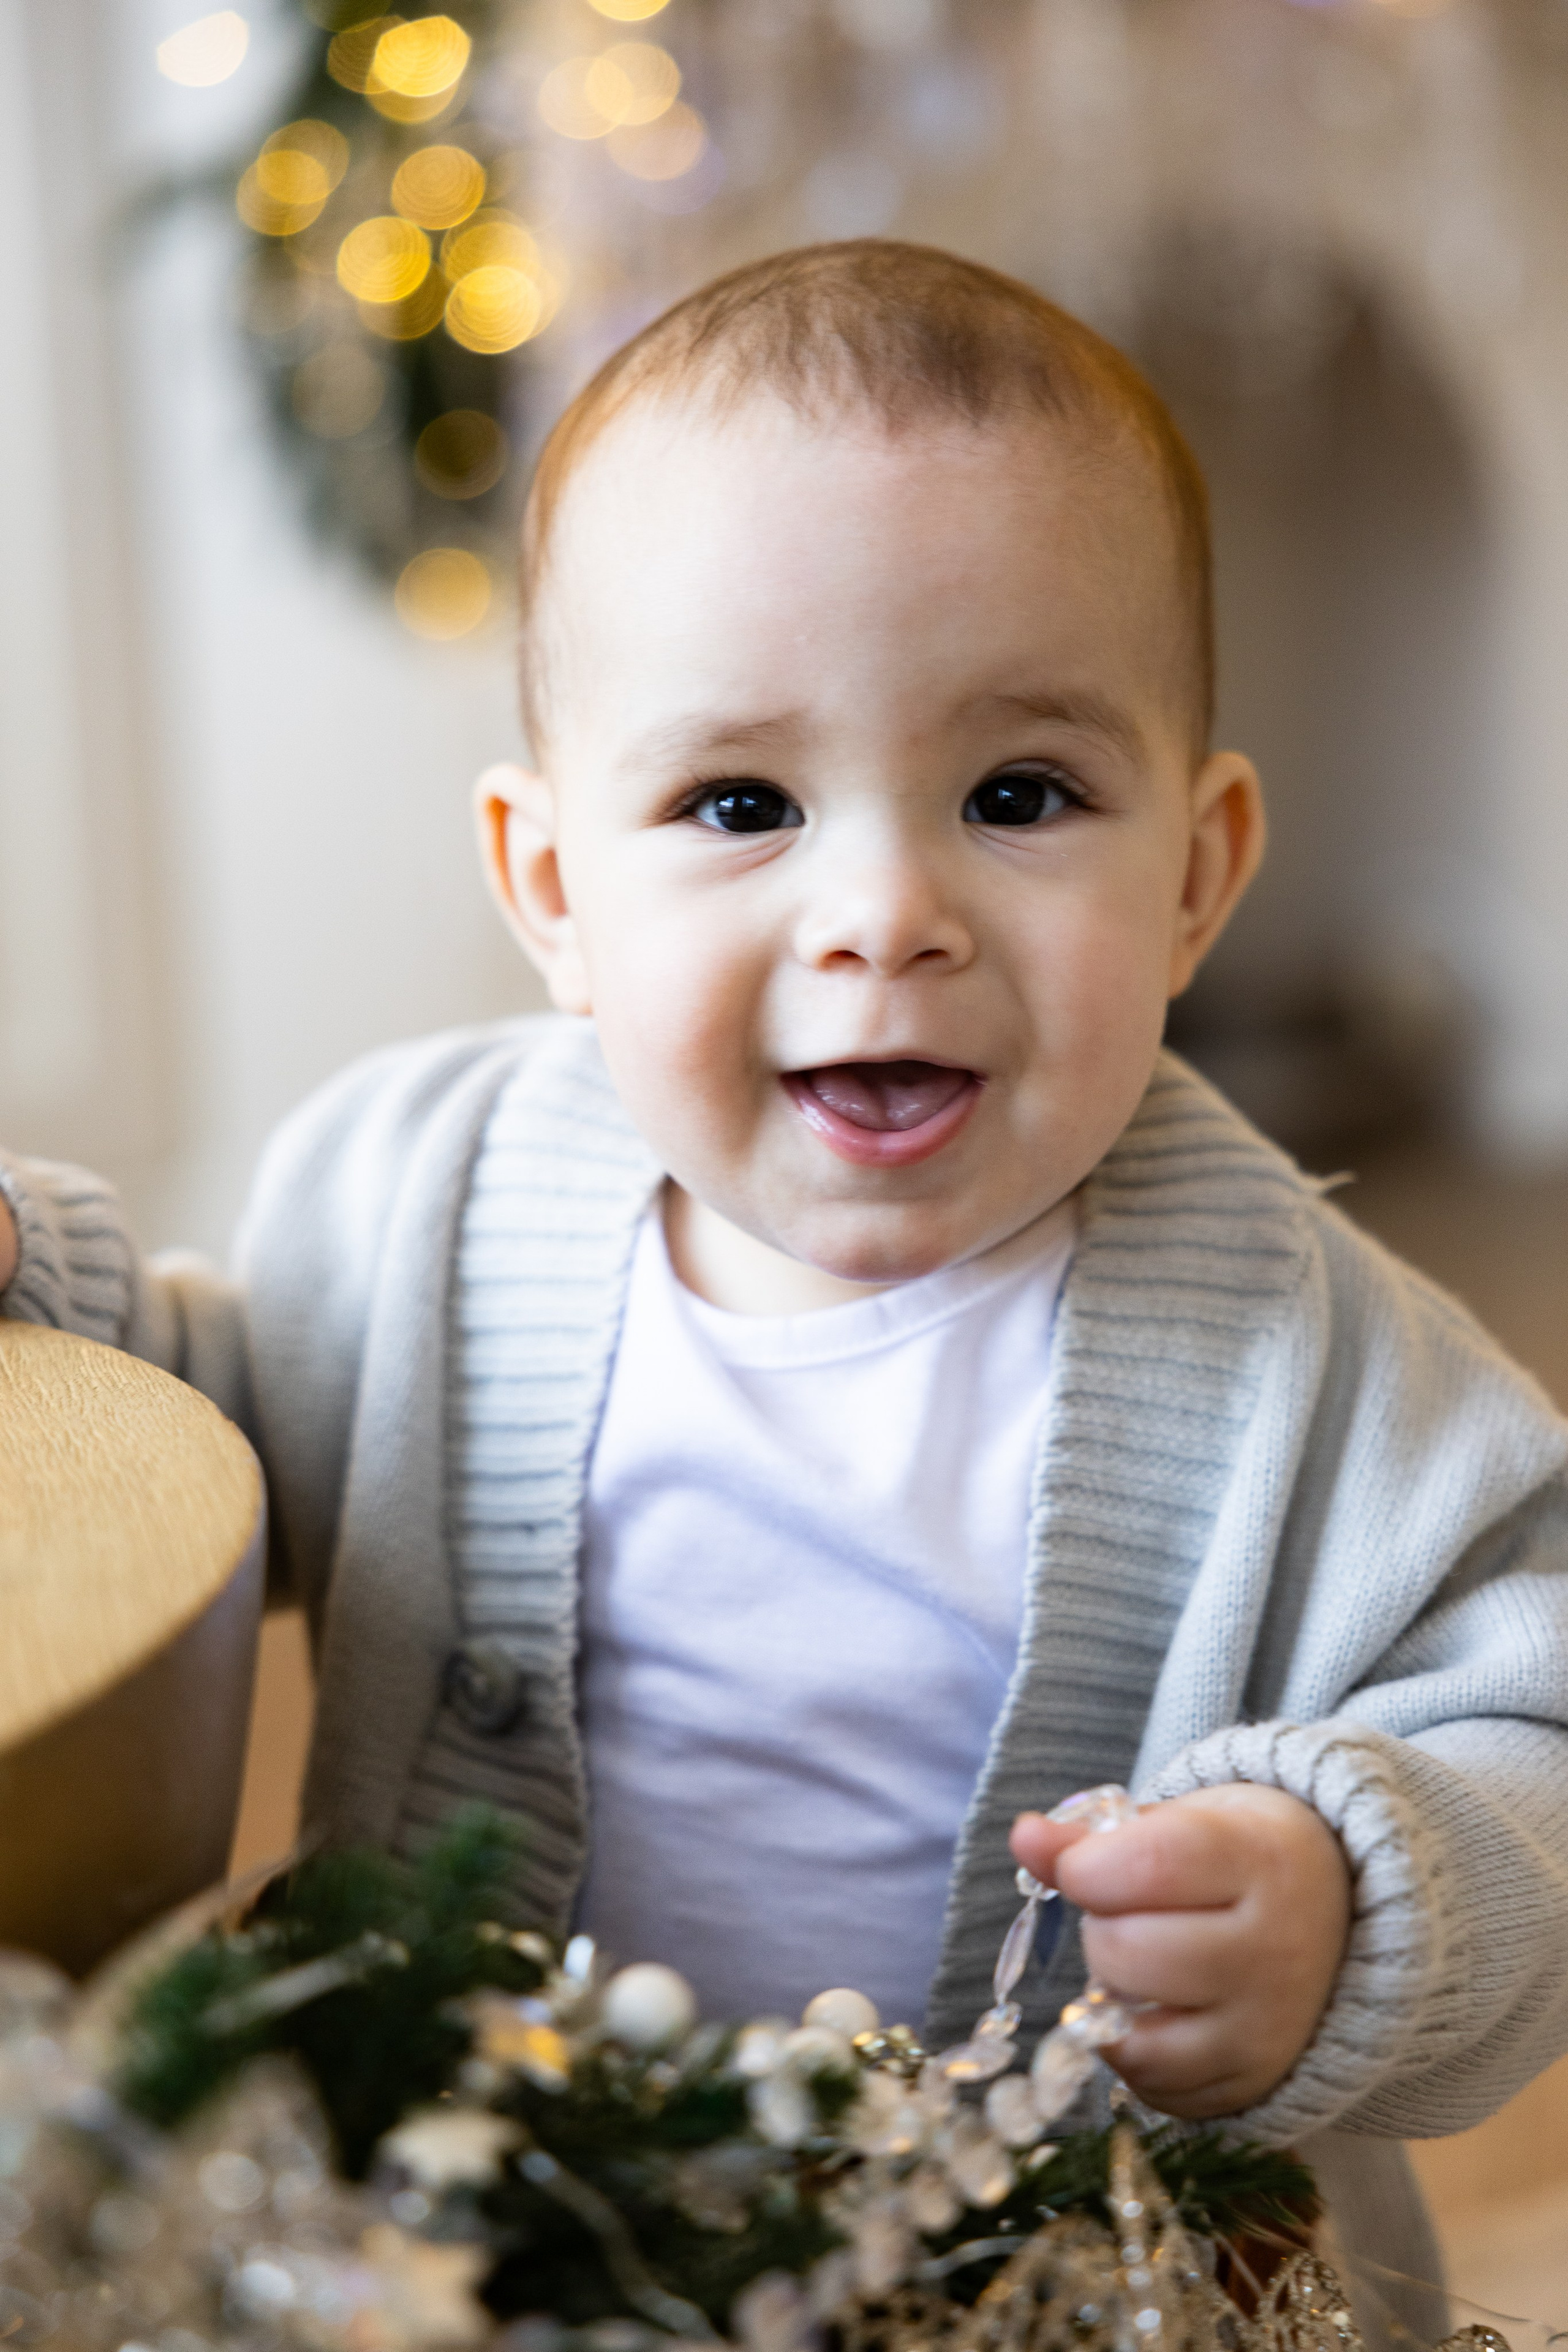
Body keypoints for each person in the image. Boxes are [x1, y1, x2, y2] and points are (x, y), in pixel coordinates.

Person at [3, 241, 1566, 2329]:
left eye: (1018, 796)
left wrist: (1351, 1896)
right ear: (554, 889)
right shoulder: (426, 1195)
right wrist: (46, 1292)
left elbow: (1537, 1712)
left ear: (1196, 873)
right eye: (740, 803)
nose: (883, 913)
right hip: (483, 2231)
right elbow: (227, 1429)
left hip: (1065, 2285)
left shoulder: (1324, 1368)